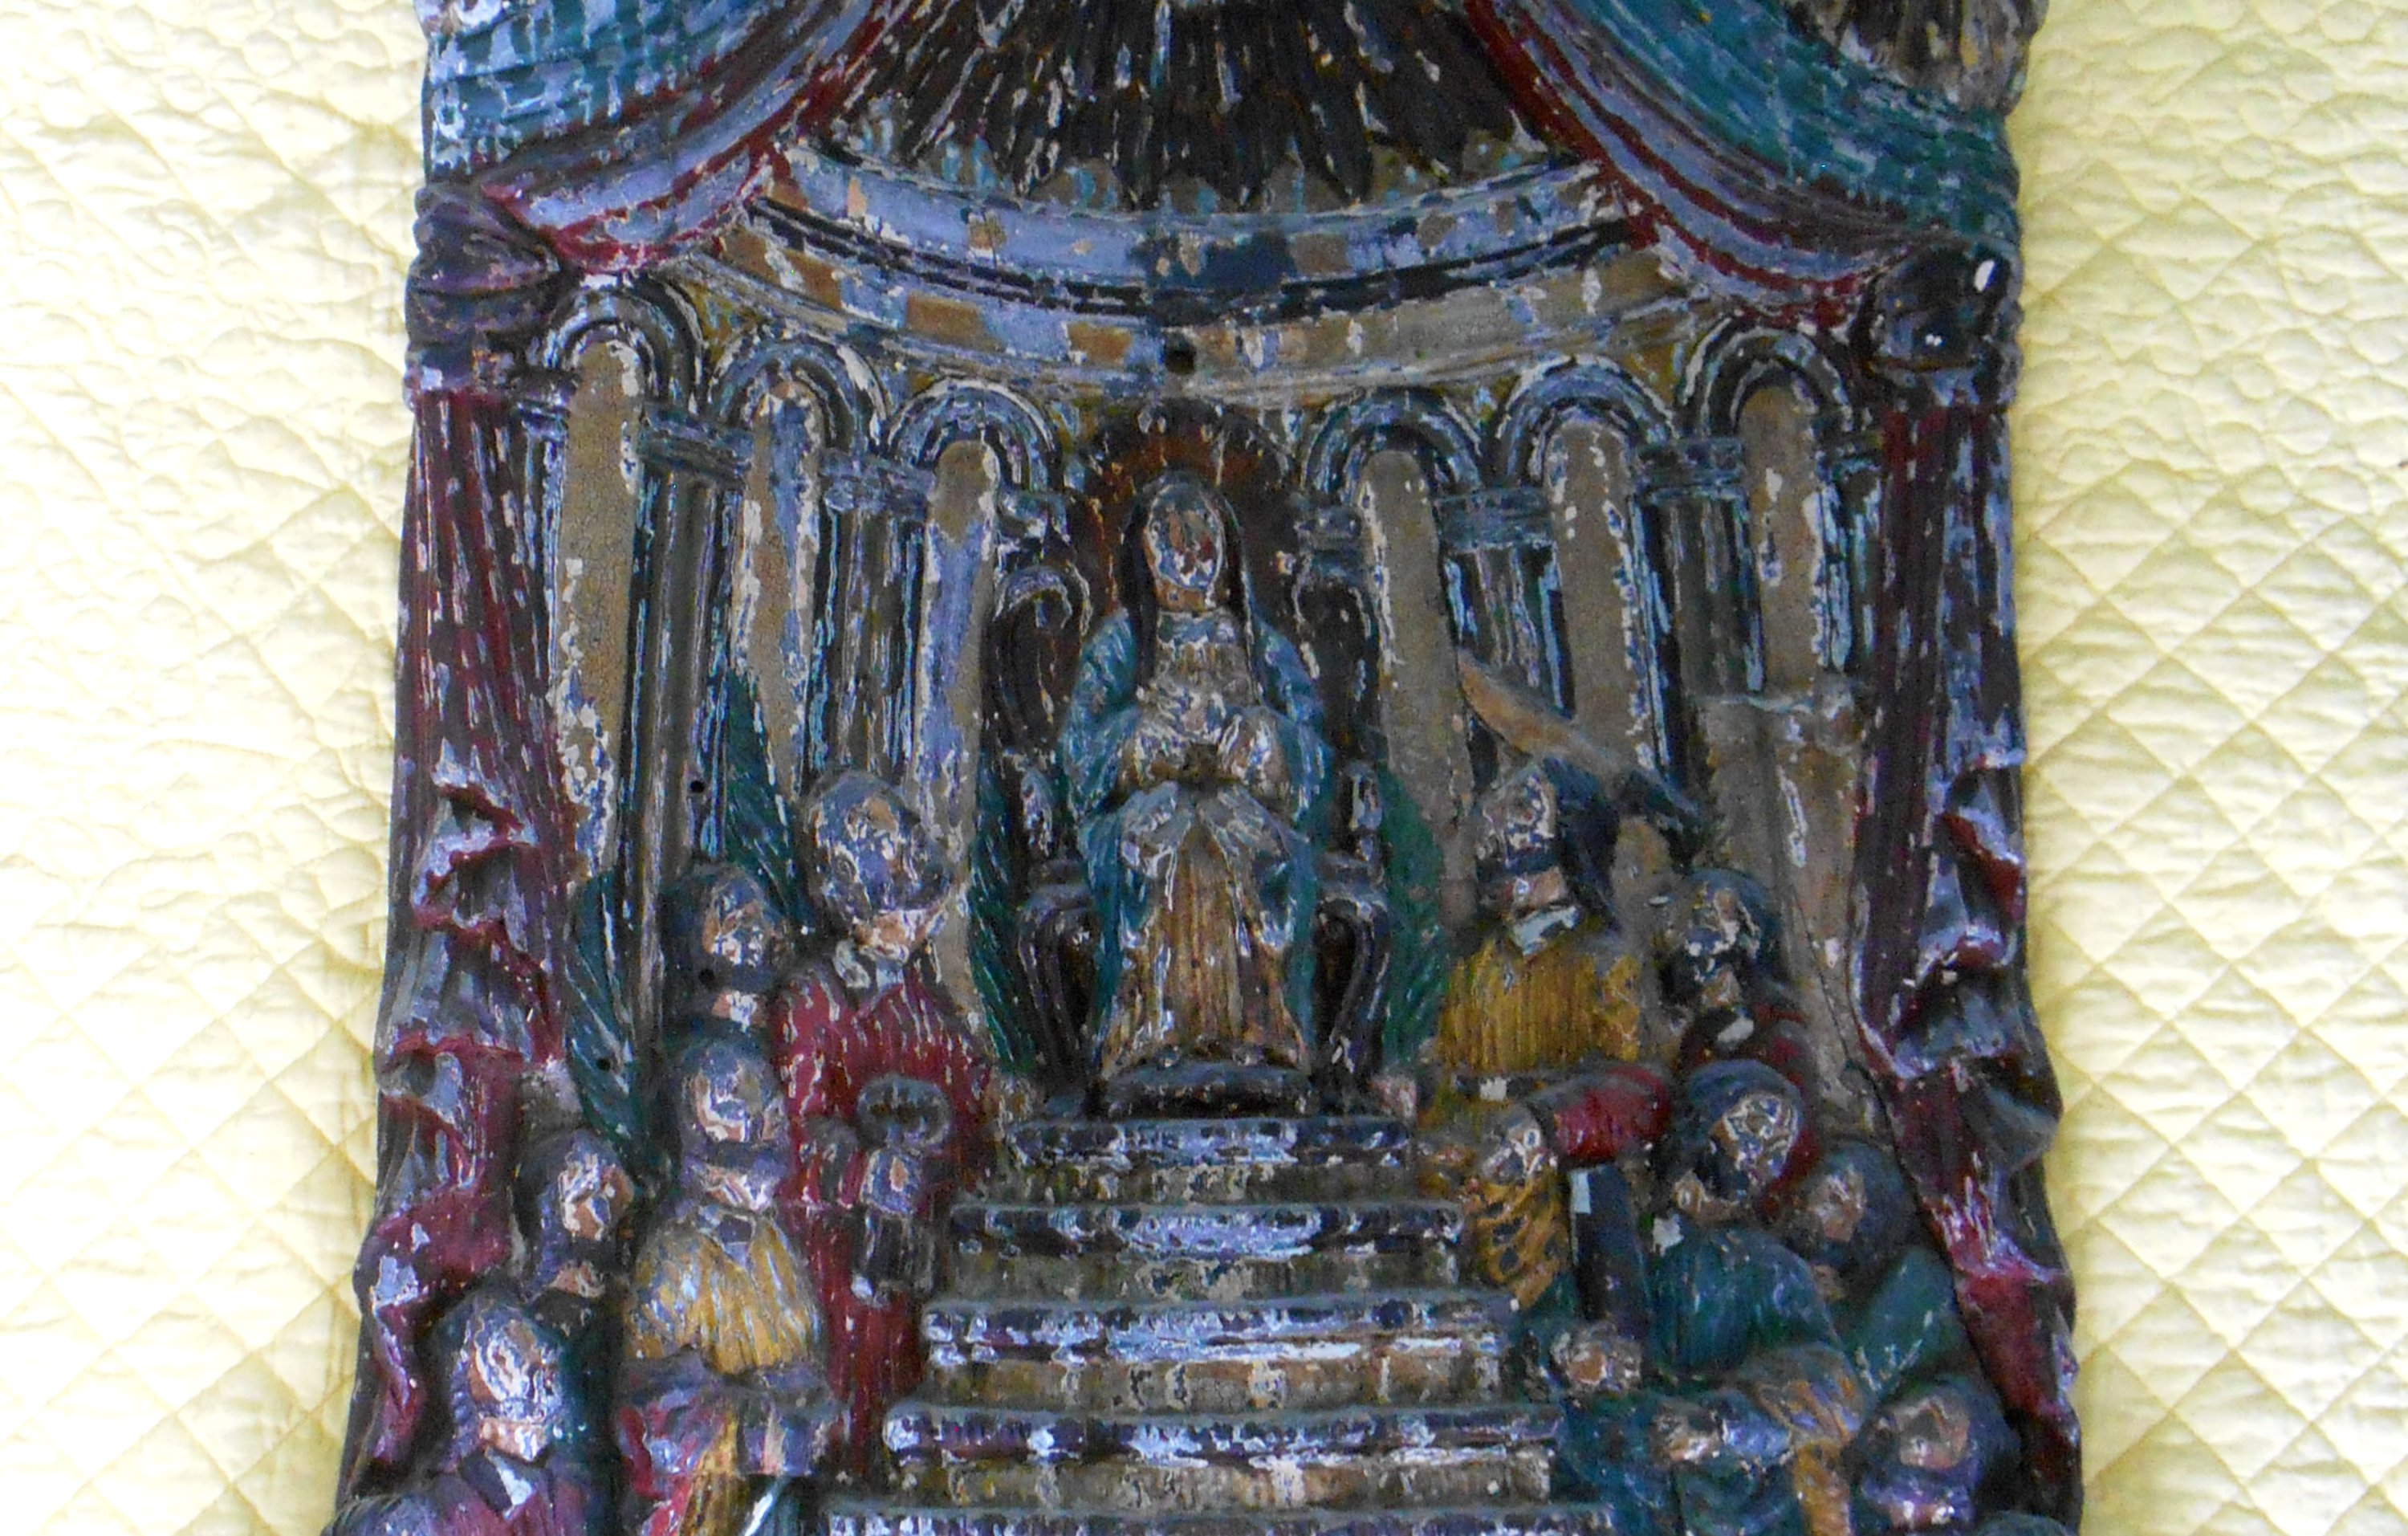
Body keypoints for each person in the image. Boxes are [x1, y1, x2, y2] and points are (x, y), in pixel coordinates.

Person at [1056, 472, 1332, 1103]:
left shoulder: (1260, 645)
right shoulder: (1122, 643)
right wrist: (1141, 743)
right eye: (1170, 539)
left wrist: (1263, 742)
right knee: (1164, 846)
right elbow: (1079, 746)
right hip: (1148, 808)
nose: (1188, 556)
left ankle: (1260, 1032)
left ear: (1226, 550)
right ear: (1145, 554)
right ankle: (1150, 1034)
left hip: (1244, 804)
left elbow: (1313, 745)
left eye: (1200, 537)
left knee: (1249, 850)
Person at [764, 772, 995, 1477]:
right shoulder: (814, 1003)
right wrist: (860, 1172)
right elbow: (785, 1137)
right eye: (900, 902)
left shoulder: (922, 1002)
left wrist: (994, 1111)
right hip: (844, 1268)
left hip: (922, 1248)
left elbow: (969, 1090)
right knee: (856, 1408)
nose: (917, 920)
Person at [617, 1037, 831, 1536]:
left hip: (778, 1502)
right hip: (708, 1514)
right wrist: (751, 1436)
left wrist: (808, 1406)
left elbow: (803, 1342)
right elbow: (649, 1413)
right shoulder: (675, 1260)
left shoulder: (772, 1241)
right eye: (743, 1169)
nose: (762, 1184)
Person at [332, 1289, 604, 1536]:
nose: (538, 1360)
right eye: (502, 1358)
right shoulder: (421, 1519)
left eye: (533, 1343)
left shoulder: (570, 1490)